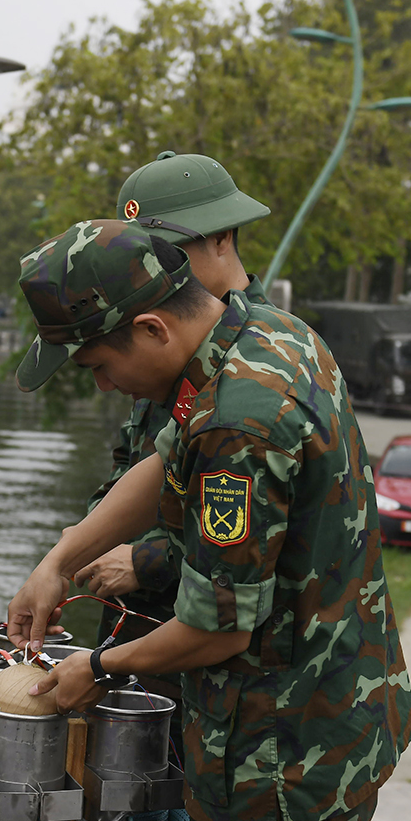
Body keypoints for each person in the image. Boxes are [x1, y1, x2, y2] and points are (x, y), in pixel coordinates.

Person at [6, 220, 411, 821]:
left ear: (152, 329)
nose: (106, 387)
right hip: (337, 712)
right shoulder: (265, 333)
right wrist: (57, 560)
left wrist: (101, 663)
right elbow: (167, 457)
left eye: (101, 367)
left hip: (281, 765)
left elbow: (217, 628)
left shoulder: (240, 423)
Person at [73, 151, 272, 642]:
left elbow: (255, 536)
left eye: (165, 255)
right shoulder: (162, 345)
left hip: (211, 655)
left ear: (223, 237)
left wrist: (145, 560)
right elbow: (139, 462)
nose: (146, 275)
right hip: (139, 632)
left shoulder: (260, 369)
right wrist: (78, 547)